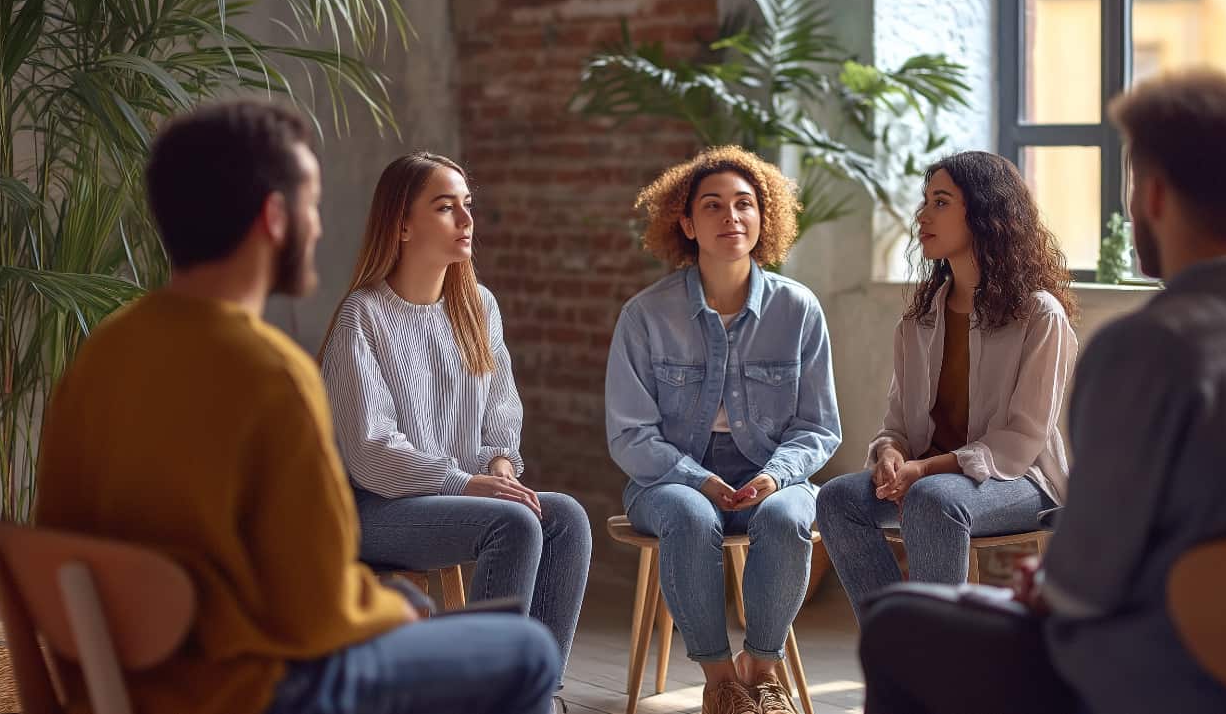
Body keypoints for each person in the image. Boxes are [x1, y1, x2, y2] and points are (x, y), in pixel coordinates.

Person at [857, 69, 1226, 714]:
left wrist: (1057, 582)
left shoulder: (1139, 351)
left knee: (897, 624)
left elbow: (1088, 583)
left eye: (1133, 182)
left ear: (1157, 195)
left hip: (1156, 674)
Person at [35, 103, 559, 714]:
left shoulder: (103, 352)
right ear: (274, 218)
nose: (318, 226)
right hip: (252, 689)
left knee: (434, 611)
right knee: (525, 651)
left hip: (137, 683)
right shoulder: (271, 375)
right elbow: (321, 604)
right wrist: (401, 616)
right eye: (312, 205)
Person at [318, 151, 592, 698]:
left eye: (467, 206)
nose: (466, 221)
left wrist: (499, 465)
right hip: (374, 508)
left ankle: (535, 697)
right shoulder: (362, 315)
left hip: (463, 494)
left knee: (564, 517)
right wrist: (466, 483)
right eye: (446, 208)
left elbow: (501, 411)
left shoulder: (477, 305)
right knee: (511, 525)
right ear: (400, 223)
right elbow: (371, 452)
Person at [605, 146, 841, 714]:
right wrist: (698, 479)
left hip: (771, 475)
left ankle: (759, 672)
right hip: (668, 481)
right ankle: (719, 683)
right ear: (686, 223)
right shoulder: (645, 314)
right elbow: (629, 435)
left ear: (764, 218)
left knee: (788, 521)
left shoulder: (799, 309)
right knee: (690, 517)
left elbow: (819, 427)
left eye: (744, 204)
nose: (730, 217)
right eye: (712, 206)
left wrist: (777, 477)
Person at [817, 151, 1076, 619]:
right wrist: (892, 455)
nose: (922, 215)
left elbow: (1021, 439)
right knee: (836, 498)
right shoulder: (919, 318)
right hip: (929, 482)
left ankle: (940, 664)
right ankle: (898, 647)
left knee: (934, 499)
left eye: (940, 202)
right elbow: (895, 423)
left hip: (1019, 480)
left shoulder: (1040, 315)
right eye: (925, 201)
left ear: (983, 213)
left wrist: (925, 471)